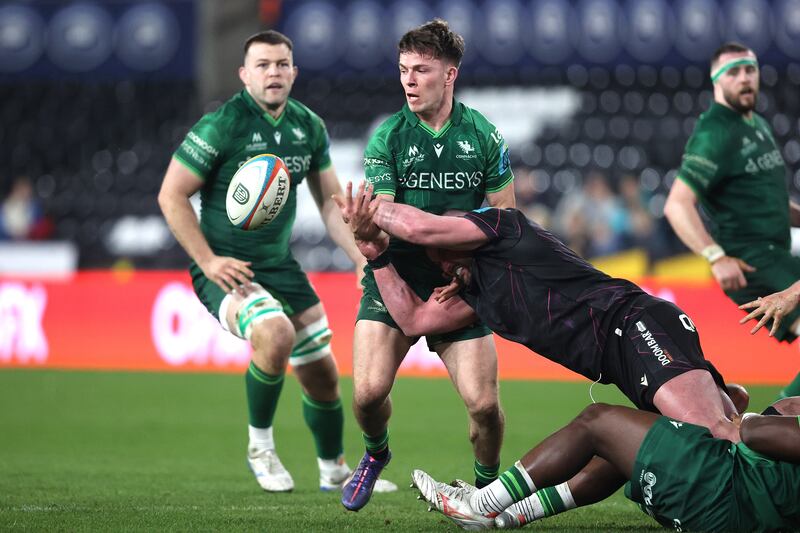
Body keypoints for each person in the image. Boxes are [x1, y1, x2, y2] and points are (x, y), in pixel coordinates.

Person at [336, 182, 748, 526]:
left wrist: (366, 212)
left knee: (714, 433)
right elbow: (414, 321)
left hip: (635, 324)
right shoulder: (476, 296)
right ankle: (505, 515)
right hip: (620, 359)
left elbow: (420, 228)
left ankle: (765, 492)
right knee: (631, 443)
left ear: (459, 232)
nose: (442, 266)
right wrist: (376, 256)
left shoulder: (504, 226)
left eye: (443, 253)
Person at [157, 30, 396, 495]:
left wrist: (357, 257)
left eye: (282, 64)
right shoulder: (221, 125)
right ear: (244, 74)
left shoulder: (308, 126)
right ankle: (260, 448)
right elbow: (171, 194)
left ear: (294, 72)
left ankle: (333, 469)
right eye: (263, 65)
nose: (274, 73)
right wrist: (207, 260)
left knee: (324, 374)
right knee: (276, 333)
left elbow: (330, 202)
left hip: (278, 266)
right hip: (228, 269)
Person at [340, 19, 516, 511]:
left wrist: (470, 271)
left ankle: (485, 491)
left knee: (485, 406)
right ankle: (376, 454)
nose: (409, 81)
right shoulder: (388, 138)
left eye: (421, 70)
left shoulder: (484, 135)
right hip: (397, 276)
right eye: (403, 70)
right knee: (367, 395)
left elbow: (507, 218)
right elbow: (387, 218)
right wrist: (365, 231)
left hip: (462, 281)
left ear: (450, 74)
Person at [412, 398, 800, 531]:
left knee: (597, 423)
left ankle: (481, 506)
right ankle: (510, 514)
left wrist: (743, 422)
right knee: (633, 441)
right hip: (745, 510)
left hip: (721, 485)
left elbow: (757, 434)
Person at [663, 42, 800, 400]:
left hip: (778, 251)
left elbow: (766, 197)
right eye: (734, 72)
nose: (744, 79)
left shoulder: (756, 123)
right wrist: (714, 255)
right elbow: (677, 204)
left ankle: (771, 430)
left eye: (750, 70)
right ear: (715, 79)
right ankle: (772, 432)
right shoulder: (714, 134)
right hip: (751, 260)